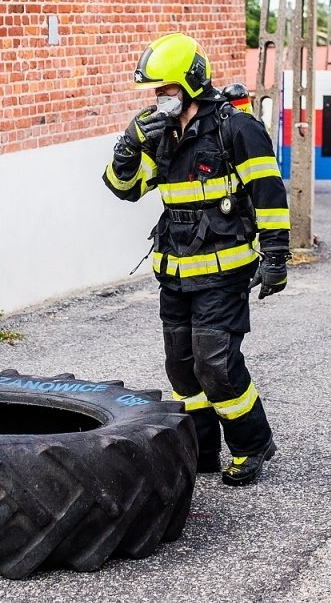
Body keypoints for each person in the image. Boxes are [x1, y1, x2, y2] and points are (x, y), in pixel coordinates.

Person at [103, 33, 289, 486]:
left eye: (166, 90)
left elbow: (268, 192)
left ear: (190, 84)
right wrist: (126, 148)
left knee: (215, 364)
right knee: (182, 368)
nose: (160, 99)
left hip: (224, 271)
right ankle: (202, 451)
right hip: (175, 272)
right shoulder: (160, 134)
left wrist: (277, 255)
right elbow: (124, 189)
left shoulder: (234, 129)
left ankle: (252, 443)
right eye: (157, 92)